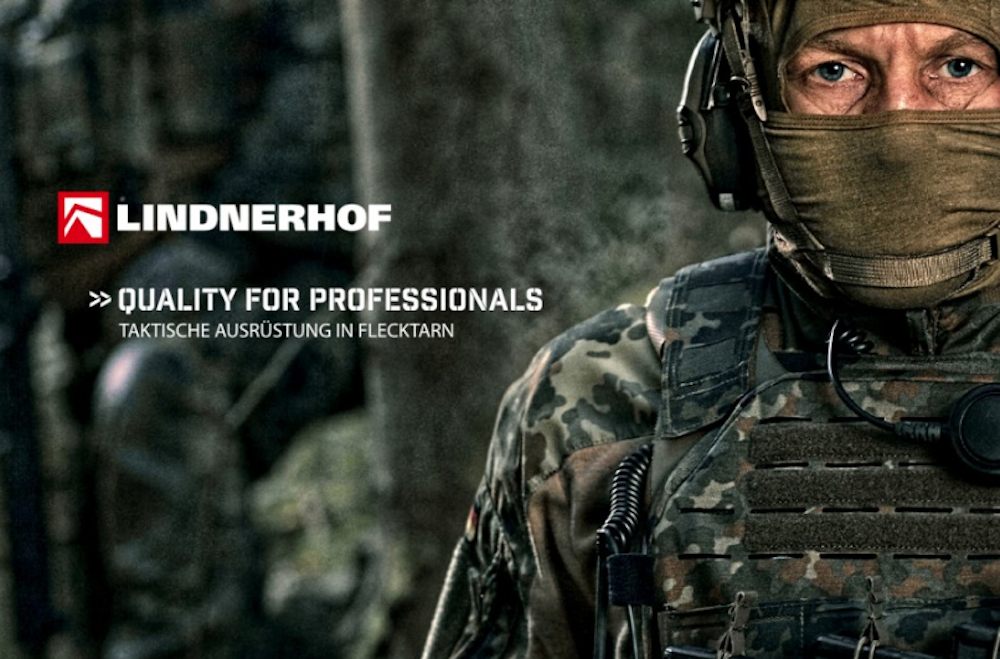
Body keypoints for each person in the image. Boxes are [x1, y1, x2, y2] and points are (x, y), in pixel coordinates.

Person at [421, 0, 1000, 657]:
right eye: (834, 71)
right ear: (735, 108)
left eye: (959, 67)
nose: (899, 131)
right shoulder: (595, 402)